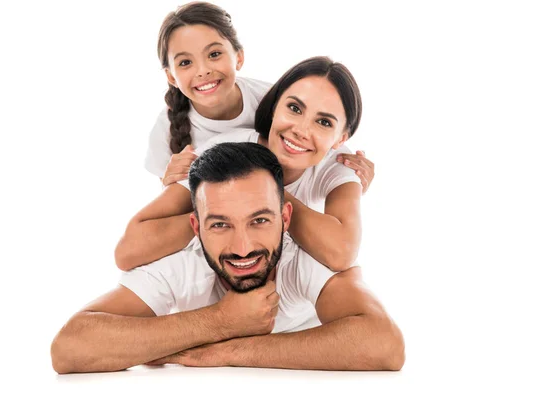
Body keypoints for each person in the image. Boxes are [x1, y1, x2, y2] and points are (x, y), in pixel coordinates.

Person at [51, 142, 404, 373]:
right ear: (196, 226)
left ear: (286, 218)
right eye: (220, 224)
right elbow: (70, 347)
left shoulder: (306, 256)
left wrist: (226, 349)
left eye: (260, 220)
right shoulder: (183, 262)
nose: (242, 247)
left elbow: (384, 343)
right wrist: (218, 321)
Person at [117, 56, 368, 272]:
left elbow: (341, 254)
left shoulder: (342, 166)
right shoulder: (225, 149)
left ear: (341, 138)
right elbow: (128, 251)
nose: (301, 130)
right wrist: (218, 217)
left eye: (324, 122)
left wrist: (264, 194)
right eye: (294, 108)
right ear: (274, 106)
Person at [146, 1, 374, 189]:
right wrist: (170, 180)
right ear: (171, 77)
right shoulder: (165, 128)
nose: (203, 70)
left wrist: (354, 171)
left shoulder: (273, 100)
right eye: (185, 62)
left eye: (214, 54)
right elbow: (172, 199)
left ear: (239, 58)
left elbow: (320, 137)